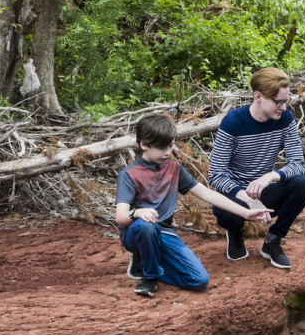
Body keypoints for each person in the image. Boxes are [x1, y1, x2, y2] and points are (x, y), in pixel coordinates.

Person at [116, 113, 271, 298]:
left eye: (171, 146)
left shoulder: (174, 168)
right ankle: (150, 277)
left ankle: (148, 260)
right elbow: (121, 217)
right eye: (162, 148)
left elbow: (207, 193)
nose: (168, 152)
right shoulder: (129, 174)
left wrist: (246, 213)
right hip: (137, 231)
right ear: (144, 145)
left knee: (198, 281)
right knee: (146, 226)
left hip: (164, 232)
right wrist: (138, 212)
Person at [207, 67, 305, 269]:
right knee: (223, 210)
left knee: (304, 184)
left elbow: (298, 164)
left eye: (286, 101)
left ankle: (273, 241)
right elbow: (216, 175)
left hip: (265, 191)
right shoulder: (233, 122)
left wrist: (270, 177)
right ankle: (235, 232)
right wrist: (248, 199)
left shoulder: (285, 119)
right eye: (278, 102)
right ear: (258, 96)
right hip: (237, 195)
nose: (283, 107)